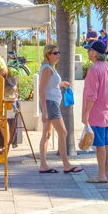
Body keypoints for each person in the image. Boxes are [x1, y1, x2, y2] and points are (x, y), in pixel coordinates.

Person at [36, 45, 80, 173]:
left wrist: (61, 83)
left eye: (58, 52)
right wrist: (45, 111)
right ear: (48, 55)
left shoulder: (50, 68)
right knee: (63, 132)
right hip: (50, 104)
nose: (58, 55)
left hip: (51, 103)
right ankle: (66, 164)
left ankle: (43, 165)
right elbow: (41, 90)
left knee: (47, 134)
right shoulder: (47, 69)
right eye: (55, 53)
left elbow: (49, 84)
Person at [81, 40, 108, 184]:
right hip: (107, 112)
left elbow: (91, 95)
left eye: (90, 50)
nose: (88, 52)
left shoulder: (94, 70)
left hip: (96, 113)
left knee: (100, 145)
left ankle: (101, 175)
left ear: (95, 53)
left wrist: (86, 113)